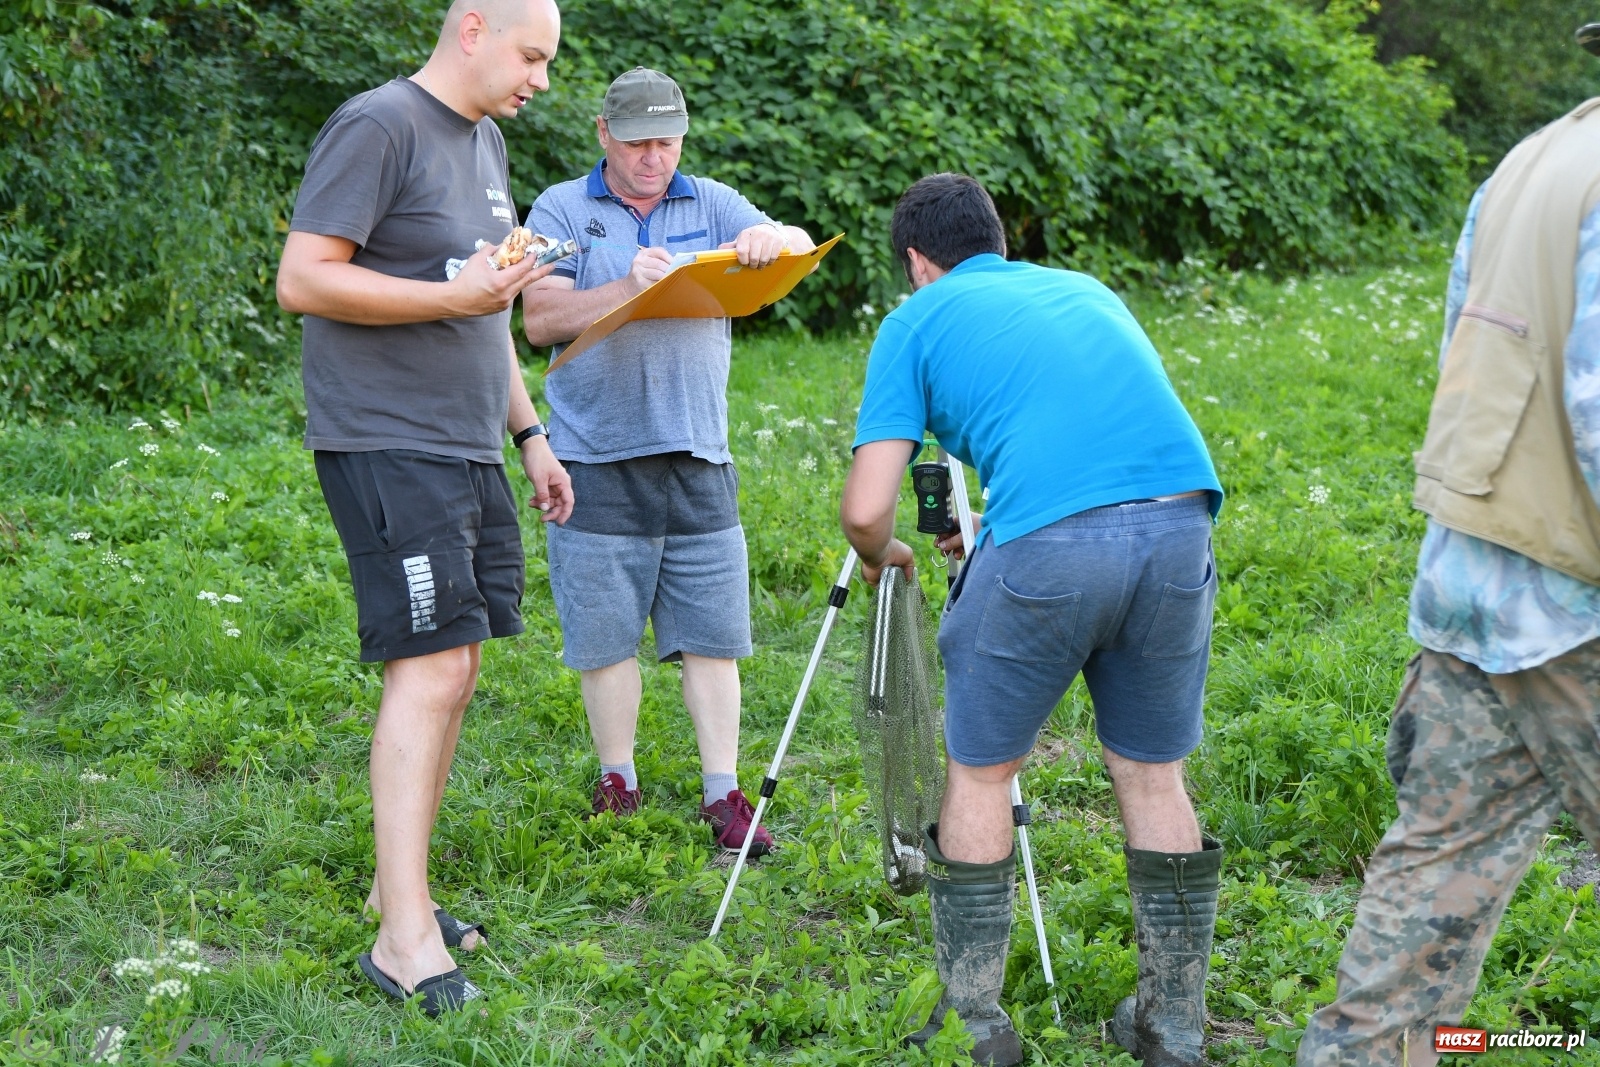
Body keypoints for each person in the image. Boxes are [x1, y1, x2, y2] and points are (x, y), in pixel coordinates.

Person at [840, 173, 1225, 1066]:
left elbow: (867, 508)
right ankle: (1172, 1026)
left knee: (980, 772)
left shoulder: (915, 320)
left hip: (1052, 547)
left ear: (916, 263)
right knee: (1154, 773)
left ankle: (974, 1024)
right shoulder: (1086, 289)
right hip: (1179, 523)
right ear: (999, 242)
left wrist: (883, 554)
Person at [1298, 30, 1600, 1067]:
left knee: (1429, 887)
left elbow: (1464, 356)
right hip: (1578, 599)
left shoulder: (1530, 161)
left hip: (1473, 575)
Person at [274, 0, 572, 1016]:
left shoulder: (483, 141)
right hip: (385, 435)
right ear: (475, 27)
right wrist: (451, 300)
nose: (542, 77)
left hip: (464, 440)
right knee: (432, 660)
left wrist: (528, 433)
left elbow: (483, 307)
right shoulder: (379, 124)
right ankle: (402, 941)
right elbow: (302, 278)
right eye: (534, 55)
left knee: (458, 659)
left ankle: (399, 891)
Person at [521, 67, 815, 854]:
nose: (656, 156)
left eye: (669, 140)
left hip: (699, 451)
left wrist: (770, 240)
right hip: (595, 453)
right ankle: (618, 779)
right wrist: (622, 286)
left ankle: (724, 795)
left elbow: (791, 244)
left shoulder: (711, 200)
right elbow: (538, 317)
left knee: (714, 634)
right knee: (605, 635)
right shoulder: (559, 207)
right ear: (603, 134)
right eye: (640, 141)